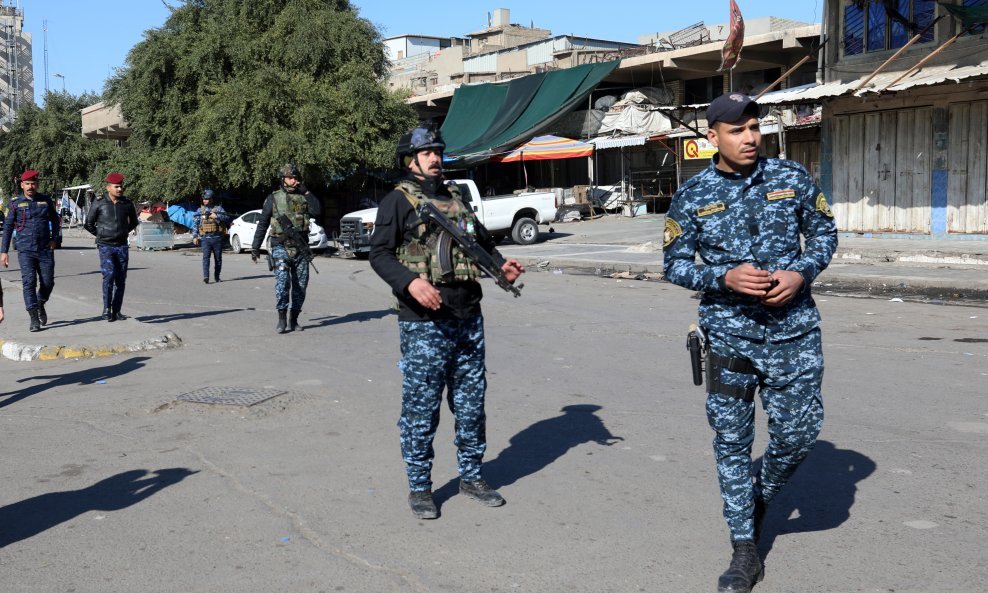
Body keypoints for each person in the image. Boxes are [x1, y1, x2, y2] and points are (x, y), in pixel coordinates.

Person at [662, 93, 838, 593]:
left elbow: (824, 232)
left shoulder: (791, 178)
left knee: (800, 433)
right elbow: (674, 264)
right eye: (737, 130)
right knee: (732, 443)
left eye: (755, 127)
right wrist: (723, 276)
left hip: (794, 333)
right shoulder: (692, 196)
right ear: (712, 136)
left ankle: (756, 496)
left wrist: (801, 271)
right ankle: (744, 547)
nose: (750, 138)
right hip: (729, 337)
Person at [369, 125, 525, 520]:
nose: (436, 158)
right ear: (411, 160)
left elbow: (480, 244)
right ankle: (420, 487)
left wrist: (500, 268)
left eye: (438, 151)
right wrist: (411, 282)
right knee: (422, 408)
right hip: (424, 322)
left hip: (468, 315)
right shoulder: (398, 201)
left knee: (471, 405)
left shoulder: (456, 198)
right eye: (427, 153)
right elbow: (380, 255)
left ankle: (472, 476)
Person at [251, 164, 320, 333]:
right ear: (283, 179)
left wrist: (307, 192)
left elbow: (317, 211)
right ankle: (281, 319)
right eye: (291, 178)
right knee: (283, 283)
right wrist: (255, 247)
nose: (294, 181)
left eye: (296, 178)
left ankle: (293, 319)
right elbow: (262, 224)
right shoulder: (273, 198)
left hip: (301, 248)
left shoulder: (304, 197)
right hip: (280, 245)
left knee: (301, 286)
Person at [1, 170, 60, 332]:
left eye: (33, 183)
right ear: (22, 185)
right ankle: (34, 317)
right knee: (29, 283)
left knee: (48, 282)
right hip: (25, 250)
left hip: (45, 249)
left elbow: (56, 220)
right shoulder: (14, 203)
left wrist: (54, 238)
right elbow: (7, 227)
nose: (30, 186)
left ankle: (41, 301)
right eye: (27, 183)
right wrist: (4, 251)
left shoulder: (45, 201)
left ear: (37, 184)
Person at [84, 172, 139, 322]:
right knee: (109, 276)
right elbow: (88, 224)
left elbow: (134, 222)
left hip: (121, 246)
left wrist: (122, 232)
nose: (120, 189)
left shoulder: (126, 203)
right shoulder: (100, 202)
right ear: (108, 188)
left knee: (121, 279)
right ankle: (106, 308)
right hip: (105, 246)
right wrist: (101, 235)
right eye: (116, 187)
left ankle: (117, 310)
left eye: (121, 186)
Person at [192, 188, 231, 283]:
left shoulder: (218, 209)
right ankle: (206, 277)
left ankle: (217, 277)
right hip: (205, 238)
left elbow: (227, 217)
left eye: (207, 199)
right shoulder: (200, 210)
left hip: (217, 237)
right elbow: (195, 223)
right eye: (204, 199)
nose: (205, 200)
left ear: (211, 199)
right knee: (206, 258)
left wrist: (217, 216)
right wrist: (195, 236)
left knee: (218, 259)